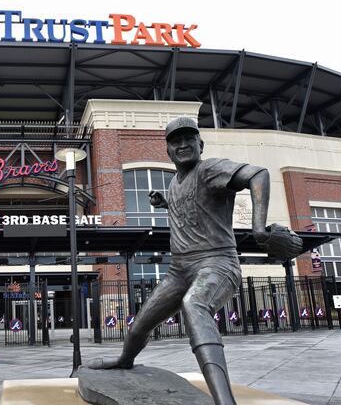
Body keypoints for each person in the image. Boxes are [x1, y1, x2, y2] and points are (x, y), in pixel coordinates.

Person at [89, 116, 284, 405]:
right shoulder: (174, 184)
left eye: (188, 139)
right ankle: (124, 359)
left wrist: (258, 227)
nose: (182, 144)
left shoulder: (210, 169)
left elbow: (259, 175)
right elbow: (189, 203)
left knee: (195, 305)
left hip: (216, 262)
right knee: (140, 324)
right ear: (167, 151)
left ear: (200, 144)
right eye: (175, 141)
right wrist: (162, 202)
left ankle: (224, 400)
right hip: (179, 270)